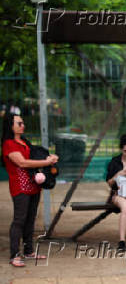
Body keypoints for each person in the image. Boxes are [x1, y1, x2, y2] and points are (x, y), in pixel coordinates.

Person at [1, 113, 58, 267]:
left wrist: (49, 157)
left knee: (30, 219)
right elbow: (23, 163)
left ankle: (29, 251)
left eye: (23, 123)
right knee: (19, 220)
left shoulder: (24, 142)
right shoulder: (9, 144)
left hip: (33, 186)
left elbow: (35, 155)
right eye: (19, 123)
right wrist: (46, 162)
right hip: (20, 187)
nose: (22, 125)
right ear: (10, 126)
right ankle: (14, 255)